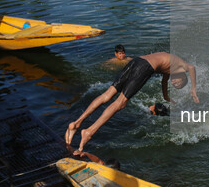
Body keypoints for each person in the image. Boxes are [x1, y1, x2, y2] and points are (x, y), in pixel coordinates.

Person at [66, 52, 198, 152]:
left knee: (107, 95)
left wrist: (166, 97)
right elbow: (192, 67)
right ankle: (89, 132)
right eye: (178, 83)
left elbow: (164, 81)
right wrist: (193, 89)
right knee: (121, 103)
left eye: (175, 85)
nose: (174, 83)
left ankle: (76, 123)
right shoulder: (182, 67)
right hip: (144, 68)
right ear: (182, 77)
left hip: (136, 61)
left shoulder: (171, 67)